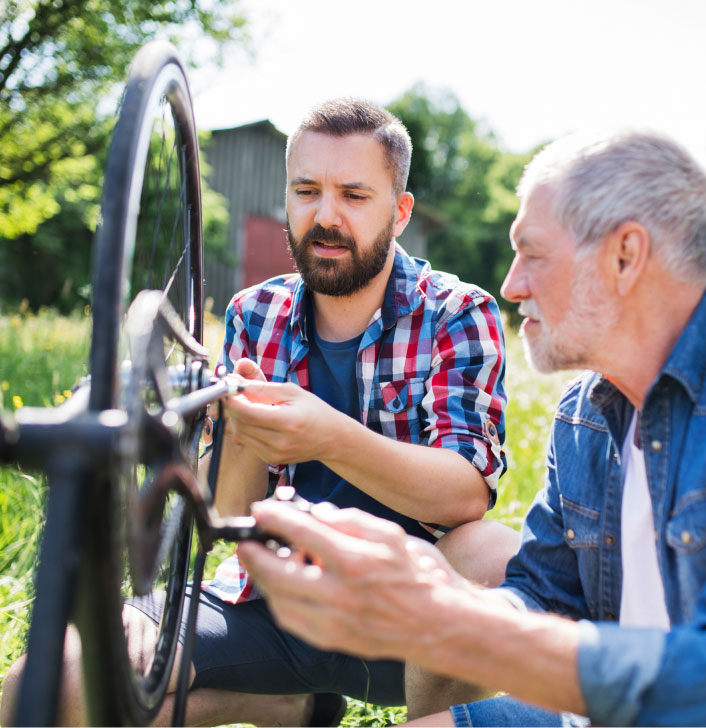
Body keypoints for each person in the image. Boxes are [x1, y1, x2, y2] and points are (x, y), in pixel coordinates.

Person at [235, 128, 706, 727]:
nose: (511, 285)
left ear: (624, 256)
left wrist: (445, 618)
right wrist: (427, 586)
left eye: (531, 253)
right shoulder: (586, 413)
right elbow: (543, 592)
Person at [0, 98, 520, 726]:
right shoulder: (256, 313)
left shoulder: (457, 313)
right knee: (48, 685)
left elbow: (464, 494)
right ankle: (290, 706)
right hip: (275, 599)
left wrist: (328, 437)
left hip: (410, 619)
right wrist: (241, 437)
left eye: (354, 196)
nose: (325, 217)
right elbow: (227, 513)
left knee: (494, 557)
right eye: (307, 191)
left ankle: (428, 720)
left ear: (400, 211)